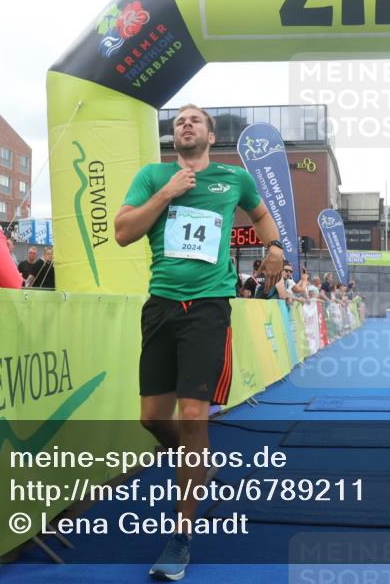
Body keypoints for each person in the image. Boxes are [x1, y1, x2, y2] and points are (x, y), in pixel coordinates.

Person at [114, 103, 283, 580]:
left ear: (210, 135)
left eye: (194, 121)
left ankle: (181, 534)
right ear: (174, 137)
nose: (184, 125)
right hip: (161, 305)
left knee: (193, 414)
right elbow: (123, 233)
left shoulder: (234, 180)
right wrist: (167, 193)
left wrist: (274, 248)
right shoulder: (153, 176)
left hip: (209, 307)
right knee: (152, 418)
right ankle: (199, 464)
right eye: (178, 122)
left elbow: (264, 215)